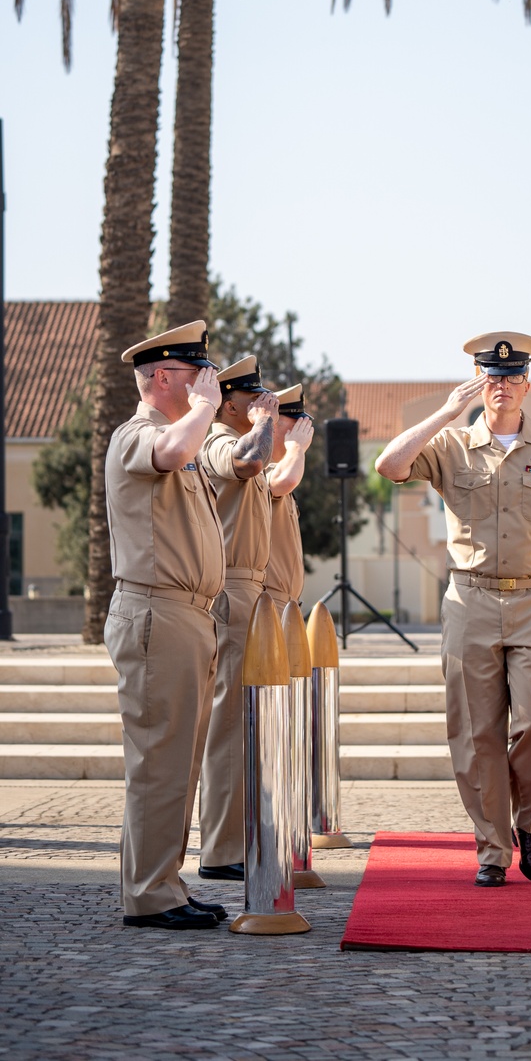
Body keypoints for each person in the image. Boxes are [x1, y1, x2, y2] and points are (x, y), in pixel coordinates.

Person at [375, 332, 531, 887]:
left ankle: (529, 825)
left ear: (527, 384)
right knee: (477, 731)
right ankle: (492, 849)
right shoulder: (452, 444)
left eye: (511, 377)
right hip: (470, 598)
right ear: (480, 383)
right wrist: (445, 411)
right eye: (492, 378)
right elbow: (389, 465)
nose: (502, 386)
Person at [104, 320, 227, 931]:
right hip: (157, 611)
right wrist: (205, 408)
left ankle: (164, 883)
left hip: (187, 615)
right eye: (193, 374)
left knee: (178, 759)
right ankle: (150, 894)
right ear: (159, 378)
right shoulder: (139, 436)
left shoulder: (184, 436)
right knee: (159, 759)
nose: (207, 383)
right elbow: (176, 451)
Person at [197, 356, 277, 881]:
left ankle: (233, 840)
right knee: (228, 722)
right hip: (230, 588)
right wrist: (267, 422)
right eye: (253, 397)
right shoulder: (220, 439)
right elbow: (245, 463)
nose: (262, 404)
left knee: (243, 721)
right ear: (229, 401)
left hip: (250, 585)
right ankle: (220, 849)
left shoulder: (240, 432)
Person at [264, 385, 314, 610]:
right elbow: (283, 481)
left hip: (284, 601)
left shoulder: (280, 468)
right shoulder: (259, 470)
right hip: (265, 600)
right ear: (272, 426)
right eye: (295, 427)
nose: (302, 434)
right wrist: (296, 448)